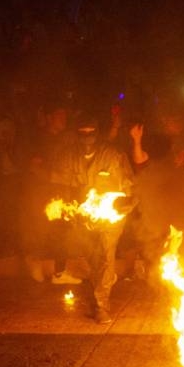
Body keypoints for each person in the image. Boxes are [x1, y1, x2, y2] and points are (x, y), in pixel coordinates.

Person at [51, 113, 135, 323]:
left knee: (106, 256)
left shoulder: (113, 155)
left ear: (98, 132)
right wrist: (66, 209)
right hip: (83, 217)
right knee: (93, 258)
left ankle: (101, 306)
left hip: (110, 217)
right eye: (83, 132)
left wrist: (125, 206)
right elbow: (61, 185)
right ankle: (102, 285)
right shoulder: (69, 155)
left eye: (91, 132)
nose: (87, 137)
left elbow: (130, 188)